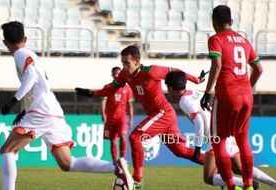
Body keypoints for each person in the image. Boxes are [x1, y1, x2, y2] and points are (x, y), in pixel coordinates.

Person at [0, 21, 134, 190]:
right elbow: (38, 85)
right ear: (25, 38)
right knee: (67, 163)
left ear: (4, 42)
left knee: (7, 150)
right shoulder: (30, 55)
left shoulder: (20, 54)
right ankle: (116, 167)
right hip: (52, 110)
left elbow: (32, 76)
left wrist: (13, 101)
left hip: (41, 111)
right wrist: (25, 109)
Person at [75, 45, 208, 189]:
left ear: (137, 61)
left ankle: (137, 180)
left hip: (163, 112)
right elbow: (112, 88)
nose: (124, 67)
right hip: (160, 116)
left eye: (127, 63)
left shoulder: (151, 71)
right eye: (123, 63)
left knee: (135, 137)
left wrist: (196, 79)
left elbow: (175, 71)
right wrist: (93, 93)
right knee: (180, 151)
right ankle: (218, 165)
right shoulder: (125, 75)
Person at [165, 71, 276, 189]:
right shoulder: (196, 93)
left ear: (170, 88)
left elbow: (199, 121)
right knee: (240, 168)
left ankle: (249, 184)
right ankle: (273, 183)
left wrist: (197, 148)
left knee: (209, 177)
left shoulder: (184, 101)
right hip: (226, 130)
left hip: (216, 136)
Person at [200, 5, 263, 190]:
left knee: (218, 141)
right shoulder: (244, 40)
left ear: (214, 22)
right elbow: (259, 69)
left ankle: (230, 186)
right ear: (231, 22)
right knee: (242, 139)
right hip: (246, 96)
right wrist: (246, 87)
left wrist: (208, 91)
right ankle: (248, 185)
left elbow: (217, 65)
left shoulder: (216, 39)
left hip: (227, 95)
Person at [101, 67, 134, 161]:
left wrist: (131, 118)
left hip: (122, 118)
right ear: (112, 74)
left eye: (119, 74)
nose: (117, 75)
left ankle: (122, 159)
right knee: (112, 141)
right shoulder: (107, 87)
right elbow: (103, 101)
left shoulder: (127, 89)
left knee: (123, 137)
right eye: (115, 73)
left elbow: (130, 105)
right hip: (110, 119)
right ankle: (115, 162)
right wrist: (103, 113)